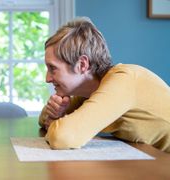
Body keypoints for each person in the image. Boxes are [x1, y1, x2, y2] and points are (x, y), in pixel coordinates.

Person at [39, 17, 170, 153]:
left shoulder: (124, 80)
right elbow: (43, 120)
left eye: (52, 68)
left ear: (82, 65)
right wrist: (54, 115)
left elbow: (63, 137)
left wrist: (54, 124)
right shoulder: (88, 93)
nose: (47, 78)